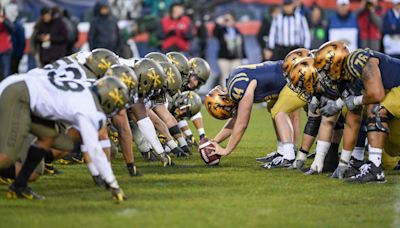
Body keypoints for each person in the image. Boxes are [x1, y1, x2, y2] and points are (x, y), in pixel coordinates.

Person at [0, 72, 129, 200]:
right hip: (19, 94)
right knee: (5, 159)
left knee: (50, 136)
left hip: (20, 85)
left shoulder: (86, 89)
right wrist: (113, 183)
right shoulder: (89, 109)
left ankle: (19, 186)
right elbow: (94, 149)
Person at [205, 60, 307, 169]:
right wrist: (214, 141)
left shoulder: (237, 88)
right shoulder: (233, 80)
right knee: (273, 107)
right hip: (291, 71)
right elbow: (236, 121)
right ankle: (282, 151)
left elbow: (242, 123)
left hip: (296, 76)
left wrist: (226, 150)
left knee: (278, 111)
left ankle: (288, 156)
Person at [213, 12, 246, 87]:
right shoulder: (222, 30)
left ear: (233, 20)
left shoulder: (237, 31)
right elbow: (215, 34)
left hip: (235, 57)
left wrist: (244, 57)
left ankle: (233, 93)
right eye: (226, 19)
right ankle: (225, 94)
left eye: (229, 19)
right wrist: (217, 24)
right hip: (224, 57)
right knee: (225, 76)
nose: (227, 21)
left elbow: (241, 45)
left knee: (235, 76)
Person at [0, 5, 13, 78]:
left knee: (6, 71)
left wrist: (4, 21)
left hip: (5, 49)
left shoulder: (4, 18)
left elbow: (12, 29)